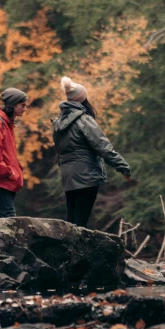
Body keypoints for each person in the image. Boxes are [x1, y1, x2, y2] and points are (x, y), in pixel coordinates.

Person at [53, 76, 131, 228]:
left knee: (71, 220)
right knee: (81, 221)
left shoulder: (59, 122)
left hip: (68, 176)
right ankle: (78, 250)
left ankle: (67, 249)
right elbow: (103, 146)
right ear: (82, 99)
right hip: (86, 175)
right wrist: (123, 166)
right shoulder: (84, 120)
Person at [0, 87, 27, 218]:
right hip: (3, 180)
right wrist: (9, 172)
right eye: (22, 105)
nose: (25, 108)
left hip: (8, 181)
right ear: (13, 105)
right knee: (10, 223)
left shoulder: (7, 123)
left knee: (1, 223)